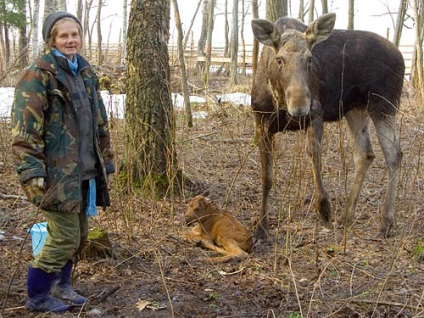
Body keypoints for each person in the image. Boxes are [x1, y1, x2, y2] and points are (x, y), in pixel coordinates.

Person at [11, 11, 115, 313]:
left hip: (83, 172)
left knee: (80, 236)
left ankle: (62, 285)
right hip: (55, 174)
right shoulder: (38, 75)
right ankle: (38, 296)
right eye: (64, 35)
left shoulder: (83, 71)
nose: (71, 40)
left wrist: (105, 160)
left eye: (75, 34)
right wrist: (32, 172)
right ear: (52, 40)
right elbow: (24, 131)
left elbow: (99, 121)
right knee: (65, 236)